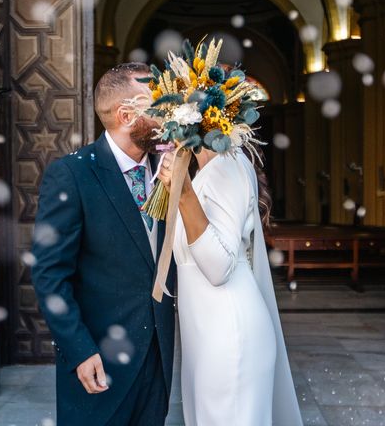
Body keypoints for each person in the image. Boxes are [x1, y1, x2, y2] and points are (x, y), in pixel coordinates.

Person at [30, 63, 176, 425]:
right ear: (127, 115)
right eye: (159, 107)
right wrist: (79, 350)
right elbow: (49, 276)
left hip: (157, 355)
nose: (169, 115)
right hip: (98, 358)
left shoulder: (170, 169)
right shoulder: (73, 173)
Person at [158, 145, 303, 426]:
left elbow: (218, 267)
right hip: (205, 333)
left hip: (228, 335)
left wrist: (185, 195)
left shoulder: (228, 166)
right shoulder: (204, 171)